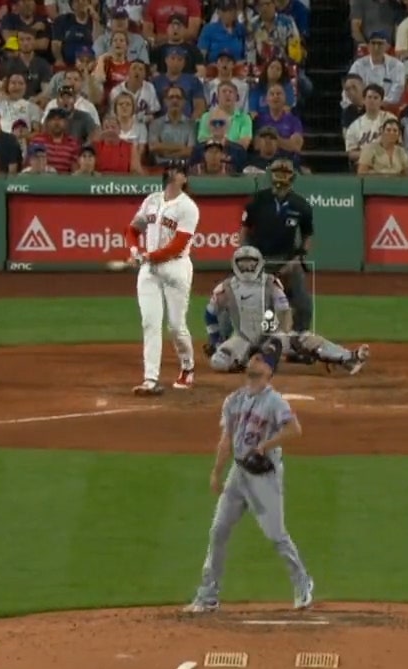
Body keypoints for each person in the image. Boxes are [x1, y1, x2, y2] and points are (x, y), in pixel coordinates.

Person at [182, 341, 314, 614]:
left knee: (276, 535)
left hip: (264, 478)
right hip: (238, 474)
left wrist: (266, 446)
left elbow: (295, 430)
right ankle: (208, 595)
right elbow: (226, 440)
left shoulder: (275, 401)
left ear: (269, 371)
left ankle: (302, 582)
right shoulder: (234, 400)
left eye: (260, 359)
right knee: (218, 531)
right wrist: (216, 473)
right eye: (253, 356)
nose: (254, 360)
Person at [202, 246, 370, 374]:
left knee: (304, 339)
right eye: (243, 263)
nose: (247, 268)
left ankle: (349, 358)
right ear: (235, 264)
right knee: (218, 362)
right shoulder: (226, 287)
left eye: (251, 263)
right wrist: (215, 340)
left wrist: (284, 335)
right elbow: (210, 314)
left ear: (259, 263)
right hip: (242, 338)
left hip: (271, 335)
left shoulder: (270, 283)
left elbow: (284, 311)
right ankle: (249, 359)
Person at [121, 163, 200, 395]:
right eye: (168, 169)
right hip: (149, 271)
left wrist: (147, 255)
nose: (170, 173)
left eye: (176, 170)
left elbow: (178, 245)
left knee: (176, 326)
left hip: (176, 268)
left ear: (184, 178)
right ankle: (150, 379)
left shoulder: (188, 207)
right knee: (150, 323)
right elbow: (132, 229)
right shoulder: (152, 200)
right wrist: (135, 250)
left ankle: (188, 366)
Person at [239, 159, 315, 333]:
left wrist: (298, 259)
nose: (281, 175)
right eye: (277, 171)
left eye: (285, 172)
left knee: (303, 305)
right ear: (270, 175)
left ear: (292, 176)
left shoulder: (301, 205)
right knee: (264, 305)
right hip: (260, 260)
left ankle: (298, 341)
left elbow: (307, 235)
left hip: (287, 260)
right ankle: (264, 341)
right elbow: (244, 229)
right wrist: (244, 254)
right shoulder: (258, 200)